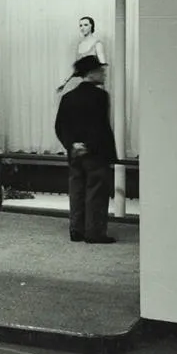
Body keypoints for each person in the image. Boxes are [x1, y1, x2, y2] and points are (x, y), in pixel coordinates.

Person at [54, 55, 118, 244]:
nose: (104, 73)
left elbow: (60, 126)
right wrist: (90, 146)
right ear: (92, 73)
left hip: (75, 153)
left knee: (77, 190)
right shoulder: (100, 96)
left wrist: (73, 144)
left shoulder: (68, 97)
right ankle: (94, 233)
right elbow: (100, 127)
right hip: (96, 153)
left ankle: (76, 230)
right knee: (96, 192)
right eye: (101, 70)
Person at [57, 16, 107, 94]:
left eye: (85, 25)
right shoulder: (80, 45)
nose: (82, 28)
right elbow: (75, 68)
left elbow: (103, 66)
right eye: (80, 25)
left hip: (92, 82)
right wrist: (64, 83)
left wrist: (100, 84)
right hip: (78, 82)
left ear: (91, 26)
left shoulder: (97, 43)